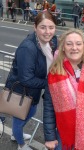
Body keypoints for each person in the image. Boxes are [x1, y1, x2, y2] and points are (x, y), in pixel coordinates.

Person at [5, 10, 57, 150]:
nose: (47, 32)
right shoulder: (28, 48)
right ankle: (20, 144)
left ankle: (17, 135)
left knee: (30, 112)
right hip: (21, 91)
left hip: (32, 91)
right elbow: (26, 79)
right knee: (20, 118)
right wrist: (50, 83)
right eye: (43, 27)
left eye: (51, 27)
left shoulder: (50, 42)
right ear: (35, 27)